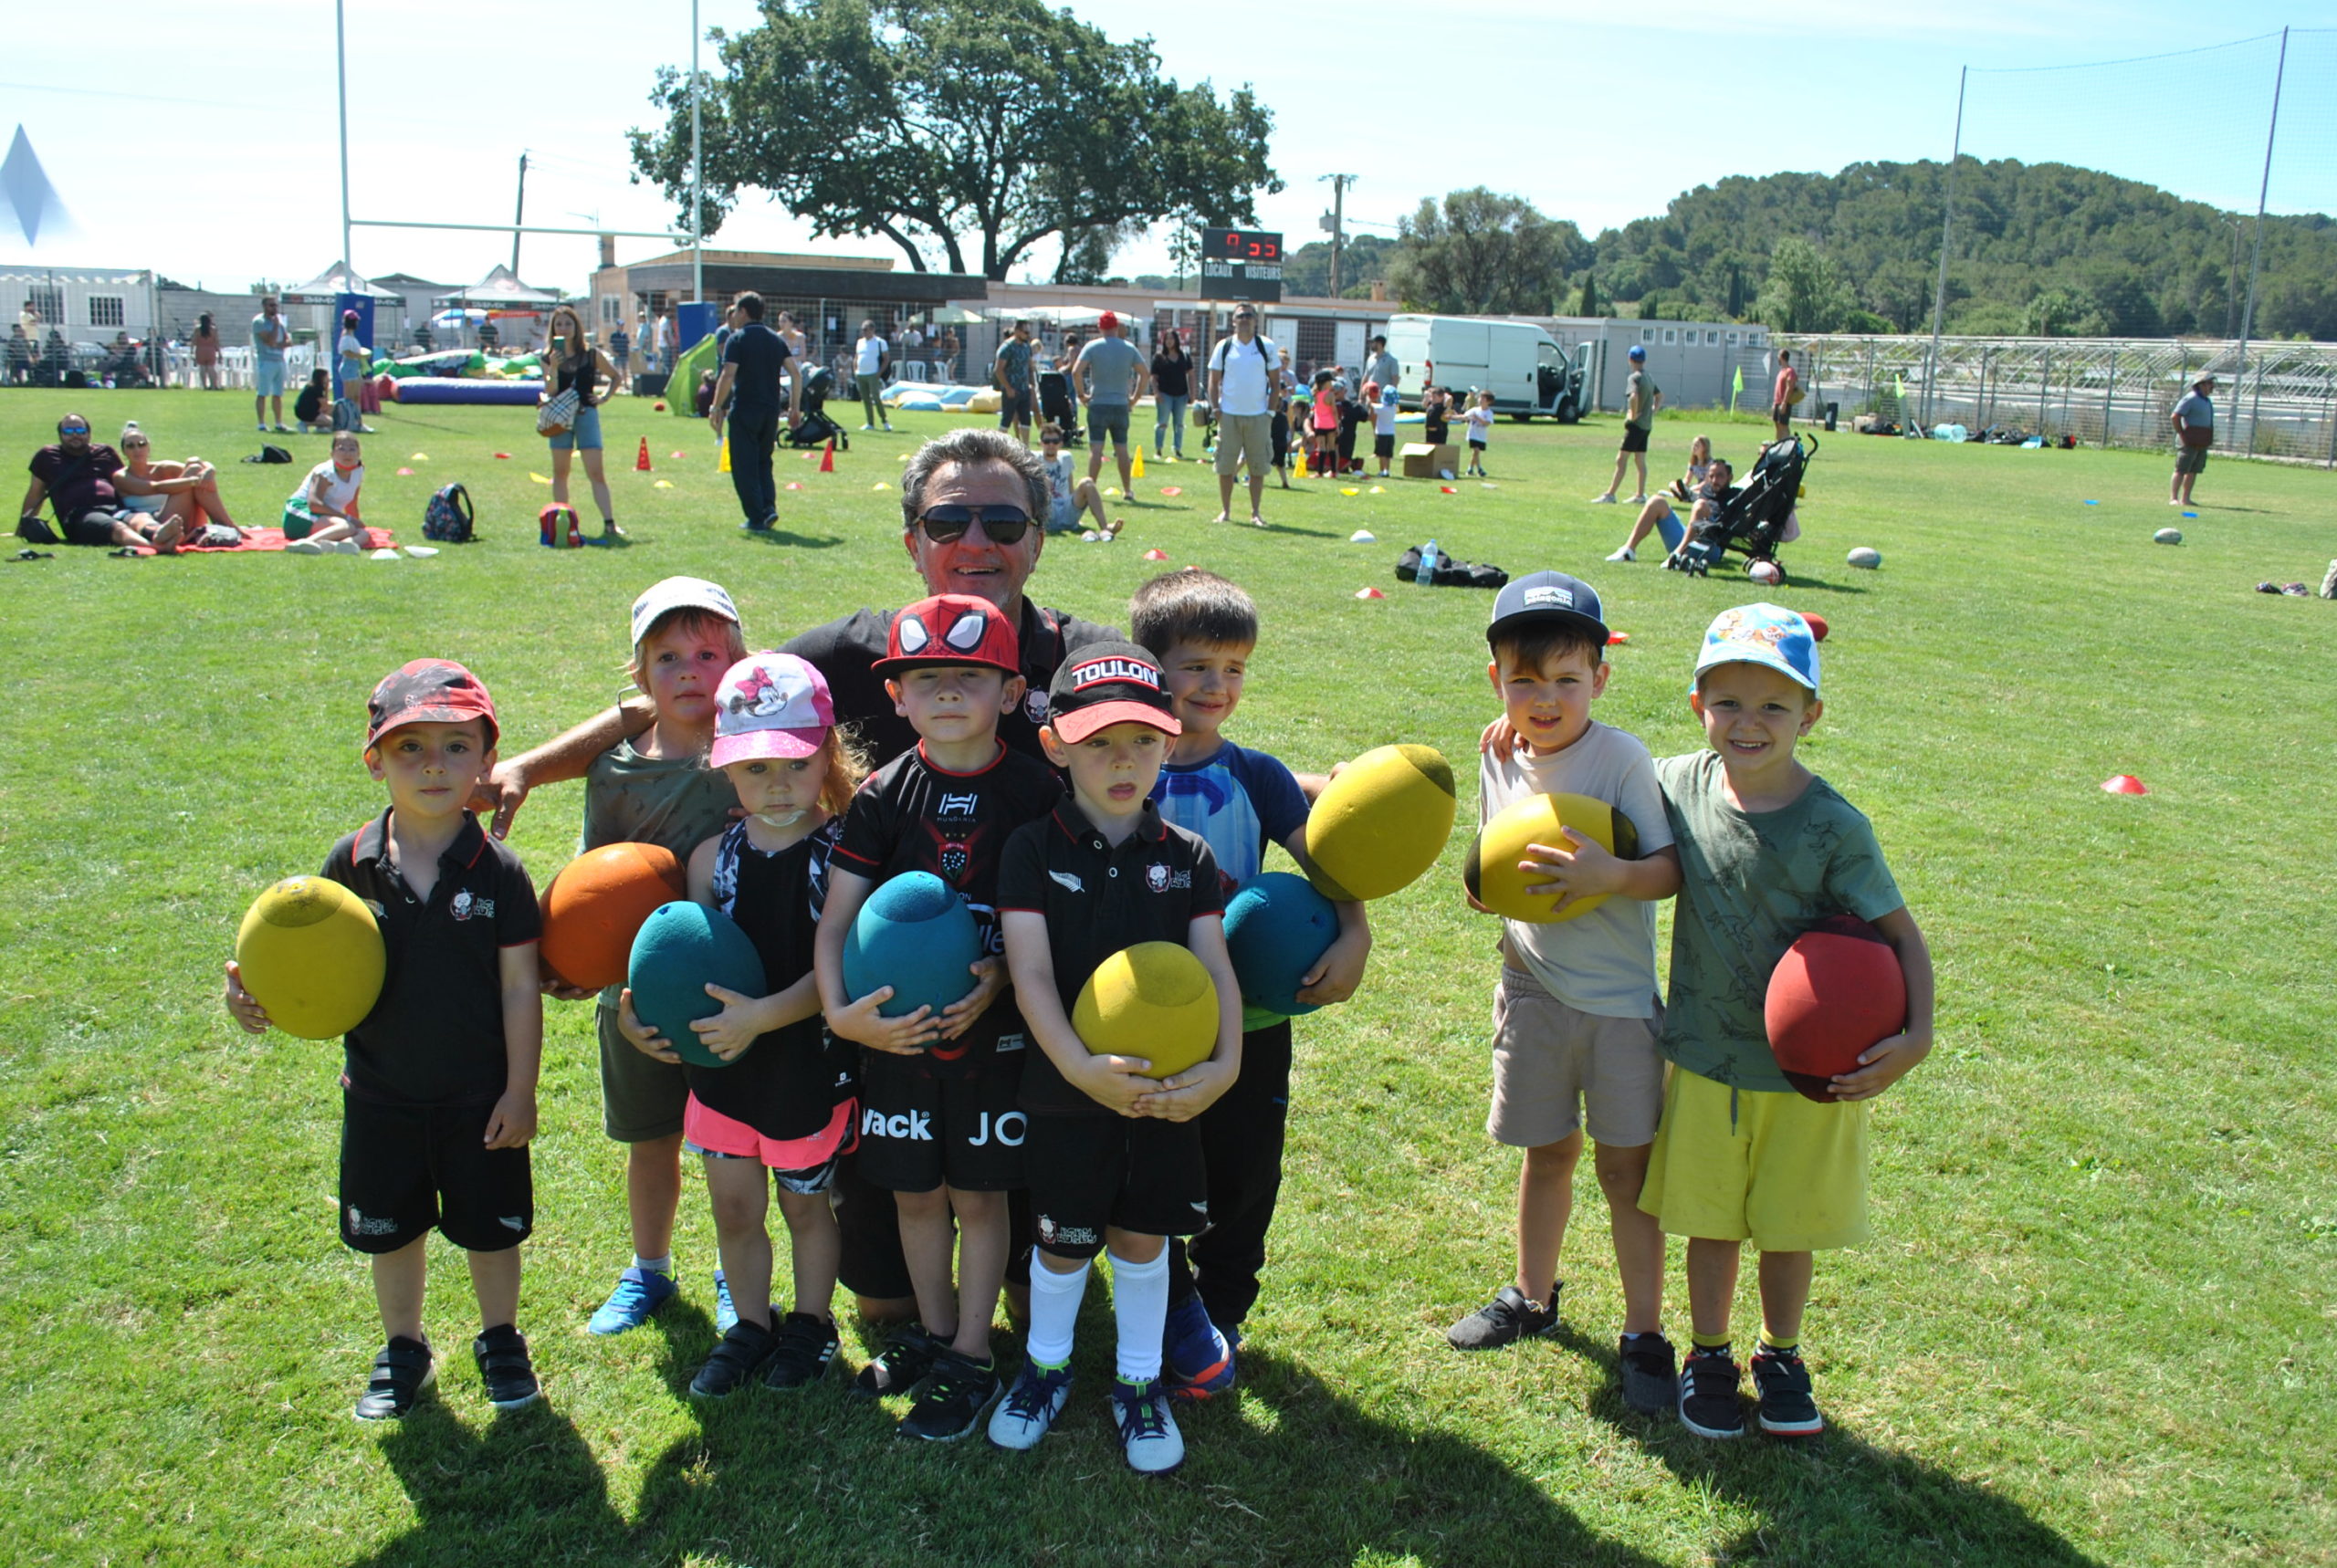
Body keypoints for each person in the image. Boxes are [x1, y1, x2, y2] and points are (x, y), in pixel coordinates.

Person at [221, 660, 544, 1420]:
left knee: (489, 1229)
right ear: (375, 762)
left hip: (480, 1096)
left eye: (456, 746)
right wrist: (252, 994)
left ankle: (501, 1339)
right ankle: (405, 1349)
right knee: (391, 1230)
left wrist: (521, 1089)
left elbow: (520, 987)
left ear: (488, 759)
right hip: (381, 1094)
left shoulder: (501, 872)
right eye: (411, 748)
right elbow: (301, 963)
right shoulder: (349, 865)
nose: (435, 765)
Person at [1643, 604, 1935, 1440]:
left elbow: (1902, 938)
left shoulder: (1837, 829)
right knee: (1709, 1220)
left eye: (1774, 706)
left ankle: (1780, 1354)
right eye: (1728, 701)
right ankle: (1707, 1354)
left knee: (1786, 1226)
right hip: (1703, 1059)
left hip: (1812, 1078)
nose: (1748, 722)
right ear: (1698, 704)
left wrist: (1917, 1037)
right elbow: (1600, 771)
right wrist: (1519, 736)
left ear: (1811, 715)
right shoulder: (1680, 783)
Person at [812, 593, 1064, 1442]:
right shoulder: (883, 794)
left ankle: (971, 1353)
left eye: (968, 676)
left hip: (994, 1041)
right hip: (898, 1040)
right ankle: (931, 1330)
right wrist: (845, 1017)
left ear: (1010, 691)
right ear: (896, 697)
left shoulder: (1038, 789)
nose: (947, 693)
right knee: (918, 1198)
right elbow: (837, 923)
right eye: (926, 680)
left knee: (982, 1199)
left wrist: (1002, 974)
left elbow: (1062, 916)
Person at [990, 641, 1242, 1473]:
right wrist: (1076, 1066)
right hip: (1068, 1091)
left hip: (1168, 1095)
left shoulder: (1188, 857)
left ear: (1170, 742)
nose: (1123, 760)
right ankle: (1045, 1368)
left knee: (1142, 1241)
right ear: (1056, 744)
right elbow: (1027, 976)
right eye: (1099, 742)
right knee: (1061, 1243)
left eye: (1142, 740)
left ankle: (1139, 1383)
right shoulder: (1032, 848)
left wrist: (1226, 1067)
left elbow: (1217, 971)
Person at [1447, 572, 1682, 1418]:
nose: (1544, 700)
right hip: (1532, 987)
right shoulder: (1496, 749)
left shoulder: (1620, 758)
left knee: (1627, 1171)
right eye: (1524, 681)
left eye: (1566, 681)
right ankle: (1531, 1296)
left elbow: (1666, 870)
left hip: (1618, 1004)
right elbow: (1493, 859)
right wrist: (1485, 889)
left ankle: (1645, 1333)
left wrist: (1608, 873)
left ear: (1601, 679)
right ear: (1497, 682)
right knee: (1546, 1151)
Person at [1130, 570, 1369, 1401]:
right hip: (1145, 1020)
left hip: (1254, 1021)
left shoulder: (1258, 775)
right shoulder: (1120, 770)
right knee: (1158, 1166)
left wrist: (1357, 930)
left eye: (1234, 669)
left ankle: (1223, 1305)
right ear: (1148, 666)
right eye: (1196, 666)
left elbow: (1326, 862)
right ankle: (1167, 1307)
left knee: (1243, 1174)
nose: (1216, 687)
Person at [621, 652, 867, 1397]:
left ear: (826, 754)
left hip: (801, 1067)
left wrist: (764, 1016)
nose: (776, 785)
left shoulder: (845, 857)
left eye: (793, 764)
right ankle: (751, 1326)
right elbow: (683, 963)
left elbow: (840, 976)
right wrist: (643, 1018)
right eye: (755, 769)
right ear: (725, 770)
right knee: (733, 1206)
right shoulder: (710, 860)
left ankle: (812, 1324)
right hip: (725, 1073)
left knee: (804, 1206)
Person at [548, 578, 751, 1339]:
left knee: (730, 1143)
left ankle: (738, 1270)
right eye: (668, 657)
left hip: (730, 991)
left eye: (709, 652)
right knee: (651, 1141)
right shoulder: (615, 770)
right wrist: (577, 964)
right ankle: (649, 1270)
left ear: (739, 659)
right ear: (638, 677)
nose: (690, 671)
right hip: (631, 999)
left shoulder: (754, 755)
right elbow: (590, 884)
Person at [19, 413, 184, 552]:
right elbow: (35, 493)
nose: (75, 435)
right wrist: (23, 527)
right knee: (118, 528)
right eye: (69, 431)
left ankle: (158, 532)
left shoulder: (104, 452)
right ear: (60, 435)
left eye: (80, 430)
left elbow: (125, 478)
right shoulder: (47, 456)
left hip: (115, 508)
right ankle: (156, 547)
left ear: (89, 434)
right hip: (80, 515)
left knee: (139, 518)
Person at [709, 291, 802, 533]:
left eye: (736, 312)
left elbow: (728, 374)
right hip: (770, 410)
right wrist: (795, 408)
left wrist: (716, 406)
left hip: (745, 409)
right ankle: (768, 508)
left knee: (743, 465)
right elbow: (796, 373)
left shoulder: (737, 339)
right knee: (764, 461)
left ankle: (755, 517)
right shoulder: (775, 340)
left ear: (743, 312)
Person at [540, 304, 624, 541]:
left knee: (596, 472)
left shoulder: (591, 354)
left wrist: (604, 398)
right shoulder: (548, 356)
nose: (564, 329)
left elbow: (615, 376)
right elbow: (550, 389)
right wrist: (554, 368)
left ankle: (610, 524)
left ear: (577, 327)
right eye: (559, 324)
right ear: (553, 328)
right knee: (560, 472)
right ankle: (562, 522)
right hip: (559, 418)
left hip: (586, 414)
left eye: (568, 324)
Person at [113, 422, 243, 544]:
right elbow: (155, 488)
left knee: (195, 469)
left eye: (141, 444)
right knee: (193, 474)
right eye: (130, 446)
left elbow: (196, 462)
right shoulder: (121, 476)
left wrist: (210, 469)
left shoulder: (162, 467)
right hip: (160, 525)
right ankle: (228, 527)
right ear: (124, 451)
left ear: (148, 447)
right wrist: (194, 481)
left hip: (186, 519)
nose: (137, 450)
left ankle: (228, 525)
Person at [1208, 308, 1279, 527]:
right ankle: (1225, 511)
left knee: (1258, 467)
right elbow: (1213, 381)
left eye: (1249, 316)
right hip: (1229, 415)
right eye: (1240, 316)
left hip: (1258, 416)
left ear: (1256, 320)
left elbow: (1275, 383)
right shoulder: (1224, 346)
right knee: (1225, 466)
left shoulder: (1266, 346)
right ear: (1233, 321)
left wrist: (1270, 412)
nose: (1245, 320)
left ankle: (1255, 513)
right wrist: (1217, 410)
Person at [1075, 310, 1148, 498]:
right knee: (1122, 449)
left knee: (1096, 449)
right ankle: (1127, 490)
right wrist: (1134, 398)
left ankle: (1089, 490)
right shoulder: (1129, 348)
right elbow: (1145, 373)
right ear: (1116, 327)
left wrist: (1082, 395)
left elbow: (1076, 371)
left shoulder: (1092, 347)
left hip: (1098, 403)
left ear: (1100, 328)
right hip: (1120, 404)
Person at [1606, 456, 1732, 563]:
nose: (1715, 480)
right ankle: (1629, 550)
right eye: (1711, 476)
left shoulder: (1736, 496)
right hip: (1688, 536)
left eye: (1720, 476)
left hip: (1709, 545)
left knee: (1700, 505)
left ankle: (1678, 555)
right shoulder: (1706, 490)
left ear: (1730, 477)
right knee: (1657, 501)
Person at [1591, 345, 1661, 505]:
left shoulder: (1634, 377)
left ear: (1630, 359)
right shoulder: (1649, 377)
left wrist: (1634, 414)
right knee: (1640, 460)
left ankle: (1610, 494)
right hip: (1646, 426)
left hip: (1636, 426)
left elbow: (1633, 396)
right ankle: (1640, 495)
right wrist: (1653, 410)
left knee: (1621, 459)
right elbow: (1660, 395)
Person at [282, 433, 372, 552]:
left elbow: (351, 503)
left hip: (325, 516)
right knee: (346, 527)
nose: (347, 453)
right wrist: (348, 519)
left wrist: (356, 522)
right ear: (332, 454)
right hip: (299, 513)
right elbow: (314, 505)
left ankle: (345, 545)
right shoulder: (325, 472)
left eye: (352, 449)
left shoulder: (359, 470)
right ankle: (304, 543)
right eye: (341, 449)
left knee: (363, 533)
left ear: (359, 453)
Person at [1039, 423, 1115, 536]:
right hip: (1049, 511)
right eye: (1047, 441)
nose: (1051, 445)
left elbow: (1070, 488)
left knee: (1087, 482)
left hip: (1066, 508)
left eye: (1055, 441)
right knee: (1041, 481)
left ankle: (1105, 528)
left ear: (1060, 443)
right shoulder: (1034, 460)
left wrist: (1075, 512)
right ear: (1041, 443)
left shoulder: (1066, 458)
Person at [2171, 371, 2214, 507]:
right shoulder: (2191, 398)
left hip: (2201, 441)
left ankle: (2186, 498)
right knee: (2181, 469)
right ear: (2201, 385)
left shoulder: (2206, 401)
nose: (2212, 386)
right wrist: (2182, 434)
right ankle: (2173, 498)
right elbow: (2175, 416)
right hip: (2188, 441)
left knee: (2193, 470)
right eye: (2209, 383)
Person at [251, 294, 292, 433]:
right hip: (266, 361)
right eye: (271, 305)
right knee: (263, 393)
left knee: (278, 394)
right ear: (264, 306)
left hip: (279, 360)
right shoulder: (259, 322)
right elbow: (269, 340)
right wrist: (274, 327)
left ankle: (279, 422)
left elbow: (288, 341)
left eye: (276, 305)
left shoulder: (279, 322)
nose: (274, 308)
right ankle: (261, 423)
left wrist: (278, 343)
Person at [993, 320, 1038, 444]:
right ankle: (998, 446)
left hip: (1024, 389)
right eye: (1025, 332)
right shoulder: (1007, 347)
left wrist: (1032, 384)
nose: (1027, 335)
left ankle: (1025, 448)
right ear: (1017, 331)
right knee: (1006, 420)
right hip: (1011, 390)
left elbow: (1029, 367)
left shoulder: (1026, 346)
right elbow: (998, 369)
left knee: (1026, 420)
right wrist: (1008, 388)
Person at [1150, 329, 1192, 461]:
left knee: (1179, 424)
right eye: (1167, 338)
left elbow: (1191, 375)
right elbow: (1153, 377)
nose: (1169, 341)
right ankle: (1158, 449)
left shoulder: (1184, 356)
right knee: (1162, 423)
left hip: (1181, 395)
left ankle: (1177, 449)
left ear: (1176, 340)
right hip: (1164, 394)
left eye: (1171, 338)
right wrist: (1156, 393)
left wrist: (1193, 393)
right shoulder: (1158, 357)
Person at [854, 319, 892, 432]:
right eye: (862, 330)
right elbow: (857, 357)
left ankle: (885, 421)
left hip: (873, 374)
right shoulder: (860, 342)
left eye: (866, 330)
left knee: (876, 397)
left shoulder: (880, 342)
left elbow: (886, 358)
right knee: (865, 399)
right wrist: (855, 370)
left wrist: (879, 372)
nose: (864, 332)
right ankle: (870, 422)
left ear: (872, 330)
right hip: (861, 374)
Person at [1460, 389, 1496, 478]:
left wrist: (1477, 418)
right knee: (1476, 451)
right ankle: (1470, 469)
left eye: (1483, 398)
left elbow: (1487, 423)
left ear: (1488, 401)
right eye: (1480, 397)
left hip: (1481, 436)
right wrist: (1452, 416)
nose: (1480, 399)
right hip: (1473, 434)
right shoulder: (1475, 410)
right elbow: (1464, 416)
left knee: (1476, 453)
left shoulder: (1489, 413)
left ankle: (1478, 469)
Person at [1369, 380, 1399, 477]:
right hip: (1391, 434)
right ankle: (1387, 470)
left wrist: (1369, 395)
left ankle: (1382, 470)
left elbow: (1371, 404)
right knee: (1388, 455)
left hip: (1381, 433)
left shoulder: (1380, 408)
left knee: (1381, 454)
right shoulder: (1394, 408)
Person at [1771, 350, 1800, 444]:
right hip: (1777, 402)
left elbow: (1790, 387)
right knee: (1777, 424)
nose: (1777, 359)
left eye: (1778, 356)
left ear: (1782, 357)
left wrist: (1784, 403)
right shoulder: (1782, 371)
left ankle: (1788, 445)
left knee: (1783, 425)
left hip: (1784, 402)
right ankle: (1778, 444)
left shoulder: (1790, 371)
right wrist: (1775, 403)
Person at [1360, 335, 1399, 401]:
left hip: (1383, 398)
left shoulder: (1391, 360)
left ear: (1379, 344)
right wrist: (1361, 396)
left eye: (1373, 342)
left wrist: (1391, 397)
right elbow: (1365, 378)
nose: (1371, 345)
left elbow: (1395, 379)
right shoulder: (1370, 358)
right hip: (1369, 398)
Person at [192, 311, 224, 391]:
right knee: (211, 368)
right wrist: (219, 352)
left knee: (202, 368)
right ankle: (213, 385)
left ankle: (204, 386)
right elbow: (216, 341)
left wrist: (192, 351)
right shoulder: (213, 329)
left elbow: (194, 341)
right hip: (210, 350)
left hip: (200, 349)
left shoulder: (197, 329)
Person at [294, 369, 333, 434]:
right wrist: (326, 389)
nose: (328, 378)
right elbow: (325, 405)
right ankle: (305, 423)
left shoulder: (310, 385)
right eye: (326, 376)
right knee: (330, 421)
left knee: (331, 406)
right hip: (307, 412)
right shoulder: (317, 388)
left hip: (303, 410)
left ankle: (320, 427)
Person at [1422, 382, 1451, 447]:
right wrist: (1429, 394)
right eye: (1432, 397)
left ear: (1441, 397)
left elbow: (1449, 398)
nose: (1432, 398)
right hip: (1429, 434)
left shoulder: (1442, 407)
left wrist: (1443, 394)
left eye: (1434, 397)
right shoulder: (1431, 405)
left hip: (1439, 435)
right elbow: (1424, 405)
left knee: (1437, 454)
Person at [608, 320, 632, 391]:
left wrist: (628, 353)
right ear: (617, 326)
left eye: (622, 325)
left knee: (624, 370)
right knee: (616, 371)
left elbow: (627, 345)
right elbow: (611, 345)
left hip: (624, 354)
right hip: (617, 355)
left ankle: (625, 384)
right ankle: (614, 385)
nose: (622, 327)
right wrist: (614, 352)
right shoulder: (614, 335)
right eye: (620, 325)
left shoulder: (625, 335)